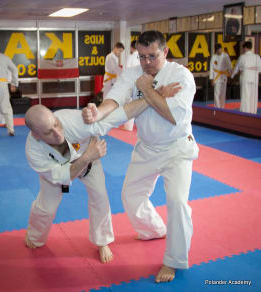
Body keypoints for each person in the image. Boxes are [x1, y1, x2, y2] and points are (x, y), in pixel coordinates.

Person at [82, 30, 199, 283]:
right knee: (130, 195)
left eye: (152, 56)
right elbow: (116, 98)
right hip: (146, 147)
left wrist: (146, 89)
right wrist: (98, 112)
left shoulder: (181, 76)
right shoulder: (134, 72)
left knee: (177, 202)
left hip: (176, 148)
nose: (146, 62)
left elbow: (172, 115)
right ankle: (154, 230)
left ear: (165, 52)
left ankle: (174, 260)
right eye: (142, 56)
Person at [23, 94, 181, 263]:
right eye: (49, 132)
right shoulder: (33, 152)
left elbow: (116, 117)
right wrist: (87, 156)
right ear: (36, 135)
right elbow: (64, 176)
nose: (57, 132)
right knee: (46, 207)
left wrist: (151, 97)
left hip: (90, 166)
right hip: (66, 170)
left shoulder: (73, 121)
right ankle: (35, 235)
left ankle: (102, 241)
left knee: (100, 198)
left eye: (56, 124)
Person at [231, 41, 261, 114]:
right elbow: (260, 70)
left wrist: (232, 76)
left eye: (243, 48)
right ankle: (253, 112)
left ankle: (245, 112)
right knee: (254, 96)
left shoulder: (242, 57)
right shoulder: (257, 57)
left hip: (245, 77)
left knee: (245, 95)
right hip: (254, 78)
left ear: (245, 48)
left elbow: (236, 68)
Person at [122, 40, 141, 131]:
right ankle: (141, 125)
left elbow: (126, 70)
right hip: (141, 82)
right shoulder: (142, 56)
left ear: (132, 47)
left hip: (131, 82)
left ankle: (128, 126)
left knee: (130, 103)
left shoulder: (131, 56)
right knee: (140, 103)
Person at [209, 44, 232, 108]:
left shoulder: (225, 56)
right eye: (217, 50)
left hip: (224, 75)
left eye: (219, 49)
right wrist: (211, 79)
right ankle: (217, 107)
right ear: (215, 50)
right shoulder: (214, 57)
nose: (218, 51)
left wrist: (231, 74)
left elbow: (229, 65)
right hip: (216, 76)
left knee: (223, 92)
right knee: (216, 92)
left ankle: (222, 106)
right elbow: (211, 68)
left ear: (221, 49)